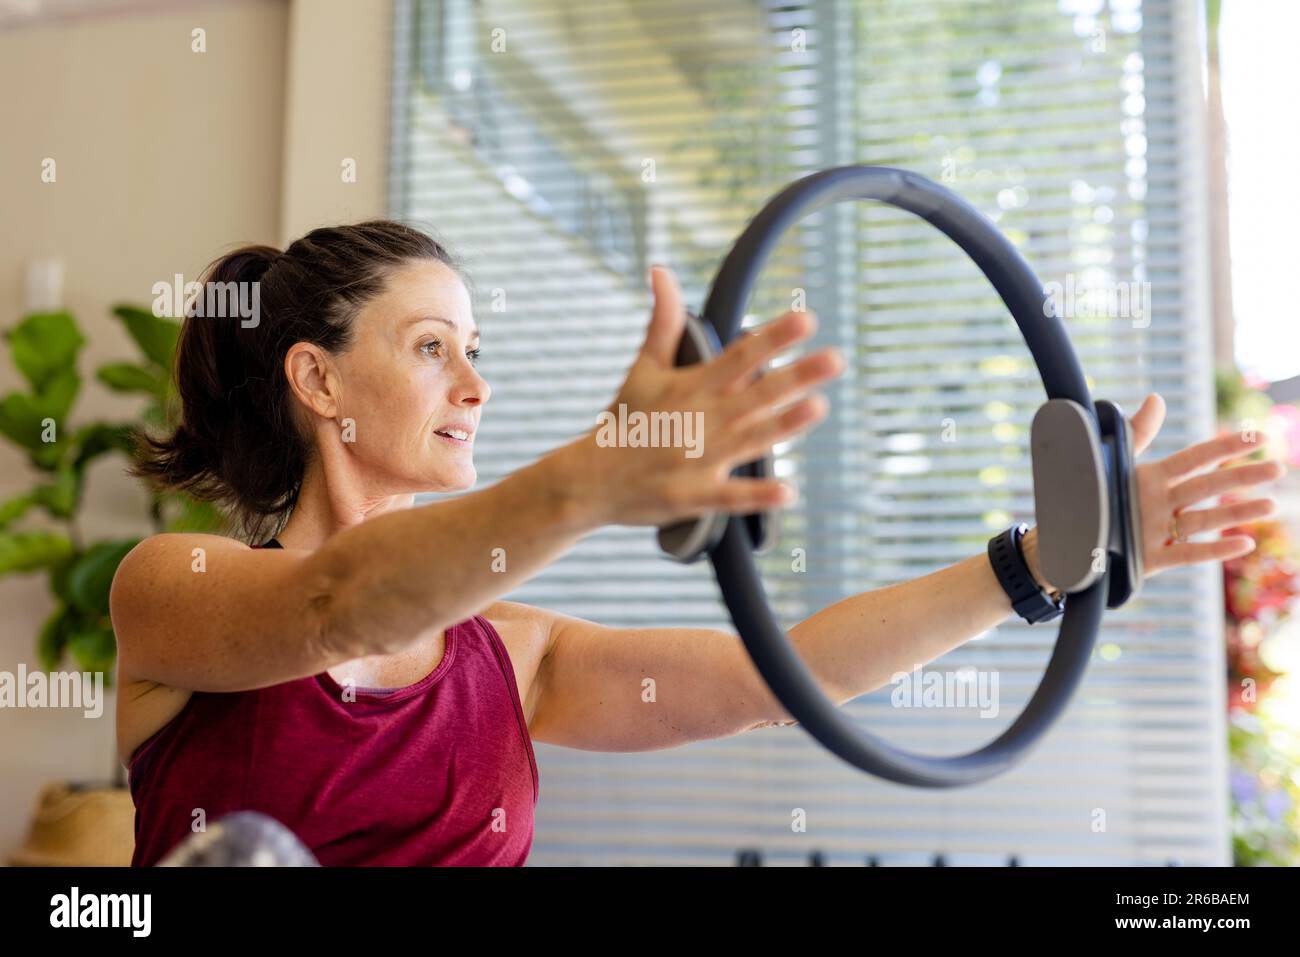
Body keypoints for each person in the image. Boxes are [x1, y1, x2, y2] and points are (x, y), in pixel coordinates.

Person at [111, 221, 1284, 866]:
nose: (474, 383)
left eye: (476, 349)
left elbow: (790, 681)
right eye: (431, 348)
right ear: (316, 378)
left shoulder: (511, 661)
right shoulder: (176, 588)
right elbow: (338, 609)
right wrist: (596, 477)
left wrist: (1033, 566)